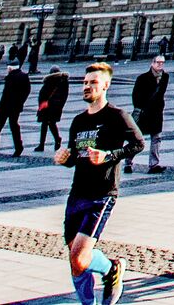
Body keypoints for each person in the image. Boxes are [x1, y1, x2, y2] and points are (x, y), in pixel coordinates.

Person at [55, 62, 143, 305]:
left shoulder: (117, 116)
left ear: (105, 85)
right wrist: (64, 158)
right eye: (85, 83)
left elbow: (138, 144)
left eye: (93, 82)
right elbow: (75, 156)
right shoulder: (78, 121)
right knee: (76, 261)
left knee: (80, 258)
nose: (87, 87)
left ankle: (111, 268)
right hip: (77, 193)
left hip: (101, 194)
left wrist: (109, 155)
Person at [130, 53, 170, 173]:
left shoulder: (165, 76)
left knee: (156, 138)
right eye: (158, 62)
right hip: (144, 112)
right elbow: (135, 95)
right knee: (137, 139)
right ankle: (128, 161)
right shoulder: (142, 78)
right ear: (152, 63)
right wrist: (140, 108)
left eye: (162, 63)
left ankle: (154, 164)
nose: (160, 65)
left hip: (157, 112)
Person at [0, 61, 32, 156]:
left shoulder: (10, 77)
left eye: (8, 67)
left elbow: (6, 94)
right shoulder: (24, 76)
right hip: (16, 107)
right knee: (14, 127)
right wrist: (20, 102)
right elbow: (27, 91)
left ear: (11, 68)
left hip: (5, 106)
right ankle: (18, 147)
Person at [36, 66, 72, 153]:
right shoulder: (55, 81)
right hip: (47, 106)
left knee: (51, 123)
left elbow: (62, 96)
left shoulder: (61, 82)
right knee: (45, 124)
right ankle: (42, 144)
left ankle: (56, 139)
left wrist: (54, 104)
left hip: (53, 107)